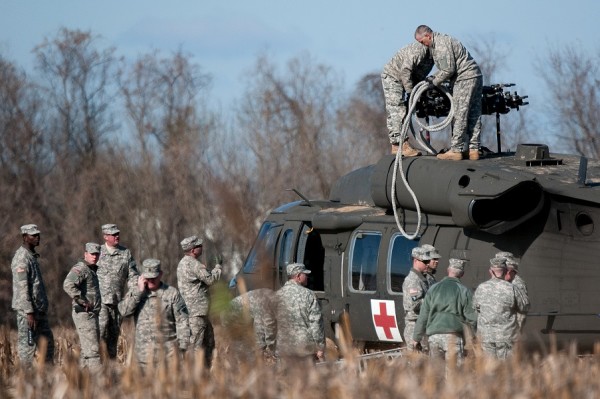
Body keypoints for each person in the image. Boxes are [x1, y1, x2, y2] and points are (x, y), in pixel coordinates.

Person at [414, 25, 483, 161]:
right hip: (475, 75)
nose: (423, 45)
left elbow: (448, 70)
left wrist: (433, 82)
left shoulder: (440, 45)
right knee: (474, 114)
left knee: (459, 114)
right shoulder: (443, 41)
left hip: (464, 78)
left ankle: (457, 150)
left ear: (428, 36)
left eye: (422, 42)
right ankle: (474, 149)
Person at [119, 258, 190, 367]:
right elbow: (124, 312)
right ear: (142, 277)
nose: (151, 280)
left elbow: (182, 321)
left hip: (168, 356)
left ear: (160, 274)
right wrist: (139, 291)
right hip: (143, 358)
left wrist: (183, 348)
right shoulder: (136, 293)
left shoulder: (172, 293)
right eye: (148, 278)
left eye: (154, 277)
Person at [412, 258, 477, 364]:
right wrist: (475, 337)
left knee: (437, 374)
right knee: (453, 374)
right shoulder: (464, 291)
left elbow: (423, 315)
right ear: (462, 274)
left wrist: (416, 338)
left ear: (448, 270)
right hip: (453, 338)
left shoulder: (433, 289)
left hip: (434, 338)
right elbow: (472, 318)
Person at [11, 224, 54, 367]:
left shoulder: (31, 256)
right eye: (33, 235)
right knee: (28, 350)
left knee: (48, 346)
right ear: (24, 237)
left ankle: (48, 378)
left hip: (39, 312)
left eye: (38, 235)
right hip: (28, 314)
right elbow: (22, 288)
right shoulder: (22, 258)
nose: (37, 237)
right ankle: (25, 381)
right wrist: (29, 312)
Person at [381, 42, 434, 156]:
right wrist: (411, 92)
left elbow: (418, 75)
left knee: (401, 108)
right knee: (397, 108)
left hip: (407, 81)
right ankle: (399, 144)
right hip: (393, 76)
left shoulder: (432, 57)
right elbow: (405, 71)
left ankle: (398, 144)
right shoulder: (420, 50)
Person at [176, 235, 221, 368]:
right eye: (199, 246)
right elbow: (211, 280)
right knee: (197, 347)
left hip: (195, 312)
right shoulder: (194, 264)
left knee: (208, 344)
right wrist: (218, 267)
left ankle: (204, 375)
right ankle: (195, 378)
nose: (201, 248)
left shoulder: (182, 263)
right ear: (193, 250)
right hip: (197, 312)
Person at [97, 223, 139, 360]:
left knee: (113, 339)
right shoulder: (97, 252)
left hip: (117, 303)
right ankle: (93, 367)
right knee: (99, 335)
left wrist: (132, 294)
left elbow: (133, 275)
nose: (117, 236)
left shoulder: (125, 253)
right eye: (113, 234)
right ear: (105, 236)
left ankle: (110, 369)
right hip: (100, 303)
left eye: (118, 234)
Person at [473, 257, 530, 359]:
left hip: (486, 336)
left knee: (488, 368)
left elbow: (475, 308)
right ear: (505, 271)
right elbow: (525, 307)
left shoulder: (481, 288)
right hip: (505, 336)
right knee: (505, 370)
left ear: (490, 271)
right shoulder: (512, 288)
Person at [275, 263, 325, 365]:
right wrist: (320, 347)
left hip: (283, 350)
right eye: (305, 274)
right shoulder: (309, 295)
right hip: (304, 350)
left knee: (285, 380)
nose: (307, 277)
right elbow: (315, 324)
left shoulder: (277, 295)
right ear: (298, 276)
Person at [63, 243, 102, 371]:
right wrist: (82, 301)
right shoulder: (81, 268)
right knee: (93, 351)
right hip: (84, 314)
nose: (95, 256)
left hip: (92, 315)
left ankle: (79, 380)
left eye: (97, 254)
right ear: (85, 254)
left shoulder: (91, 270)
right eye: (92, 254)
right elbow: (68, 284)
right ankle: (98, 381)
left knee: (87, 352)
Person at [223, 288, 277, 361]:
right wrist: (270, 350)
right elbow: (265, 328)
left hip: (231, 313)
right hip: (232, 316)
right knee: (246, 348)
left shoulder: (270, 295)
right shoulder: (269, 302)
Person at [401, 246, 431, 348]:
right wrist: (433, 302)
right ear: (416, 261)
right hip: (414, 325)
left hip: (421, 324)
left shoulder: (423, 278)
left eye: (428, 262)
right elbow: (415, 304)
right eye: (425, 262)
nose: (427, 264)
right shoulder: (413, 280)